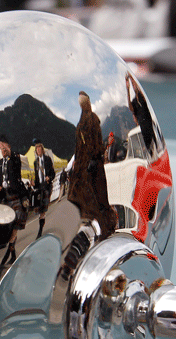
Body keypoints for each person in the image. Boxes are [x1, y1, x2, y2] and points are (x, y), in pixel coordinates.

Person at [68, 91, 115, 240]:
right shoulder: (86, 121)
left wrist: (89, 159)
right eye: (84, 103)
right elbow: (86, 145)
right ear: (84, 105)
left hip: (88, 166)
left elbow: (89, 145)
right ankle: (101, 229)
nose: (86, 105)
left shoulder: (86, 122)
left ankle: (102, 230)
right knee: (94, 199)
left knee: (95, 199)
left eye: (85, 103)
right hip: (88, 166)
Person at [0, 134, 28, 280]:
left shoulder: (15, 159)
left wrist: (9, 151)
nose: (2, 150)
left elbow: (15, 159)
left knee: (13, 232)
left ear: (8, 146)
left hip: (17, 200)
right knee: (8, 232)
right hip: (5, 201)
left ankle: (2, 264)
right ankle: (12, 255)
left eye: (4, 147)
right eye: (0, 147)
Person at [31, 138, 55, 239]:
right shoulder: (35, 163)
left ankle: (40, 231)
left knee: (42, 210)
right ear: (36, 151)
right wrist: (33, 184)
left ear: (42, 149)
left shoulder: (47, 159)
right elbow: (37, 179)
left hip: (46, 186)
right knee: (40, 210)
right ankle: (41, 226)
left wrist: (49, 177)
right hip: (40, 187)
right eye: (37, 149)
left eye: (39, 149)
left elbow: (53, 173)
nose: (38, 151)